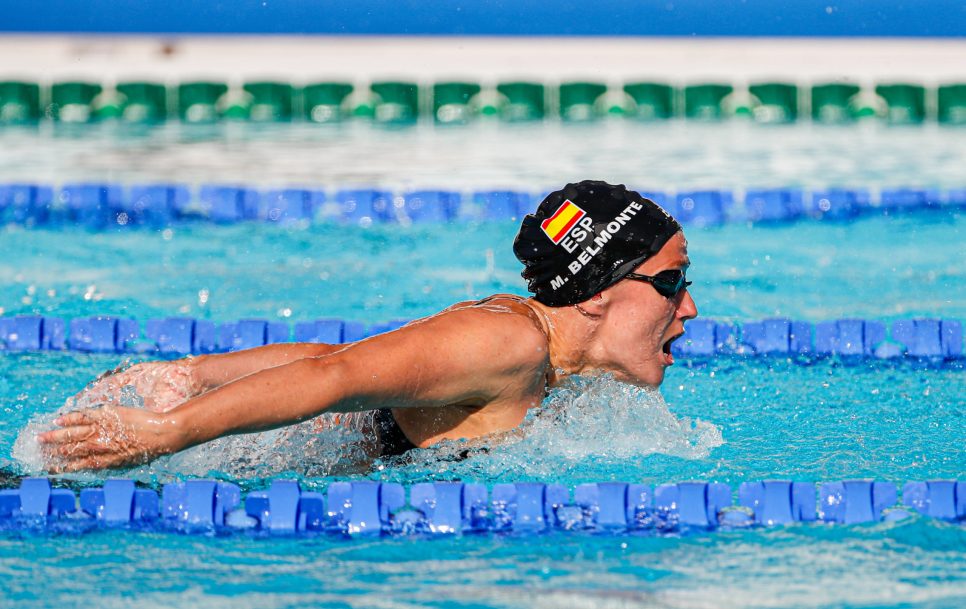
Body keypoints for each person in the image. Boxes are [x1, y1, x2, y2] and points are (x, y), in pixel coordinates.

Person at [38, 180, 697, 472]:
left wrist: (191, 374)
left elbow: (348, 356)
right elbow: (337, 374)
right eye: (670, 283)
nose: (688, 308)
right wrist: (166, 430)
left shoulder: (553, 359)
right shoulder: (509, 342)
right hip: (239, 459)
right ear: (595, 294)